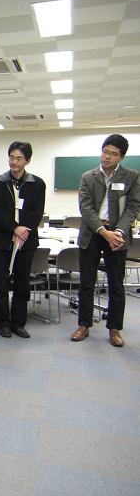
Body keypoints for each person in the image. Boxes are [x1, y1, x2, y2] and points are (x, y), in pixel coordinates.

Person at [71, 134, 140, 347]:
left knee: (116, 284)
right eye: (105, 151)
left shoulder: (131, 177)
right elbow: (85, 208)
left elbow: (133, 207)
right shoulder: (88, 176)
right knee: (86, 283)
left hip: (117, 235)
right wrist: (103, 231)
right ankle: (83, 325)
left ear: (121, 157)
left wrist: (117, 231)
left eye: (113, 154)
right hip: (92, 233)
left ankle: (114, 329)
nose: (107, 157)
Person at [0, 141, 46, 339]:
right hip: (3, 240)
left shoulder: (37, 184)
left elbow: (37, 211)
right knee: (1, 283)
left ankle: (18, 323)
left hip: (26, 240)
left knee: (22, 283)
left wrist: (23, 230)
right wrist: (14, 227)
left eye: (19, 158)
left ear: (27, 161)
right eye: (11, 157)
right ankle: (3, 323)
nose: (14, 162)